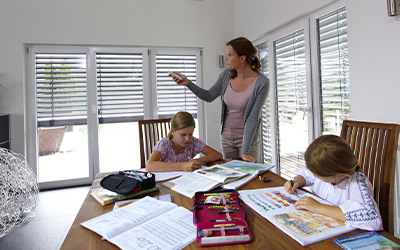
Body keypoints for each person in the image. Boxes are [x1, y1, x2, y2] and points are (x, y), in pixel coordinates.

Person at [169, 37, 269, 163]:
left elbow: (253, 118)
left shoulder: (262, 83)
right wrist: (188, 83)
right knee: (230, 176)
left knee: (250, 177)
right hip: (227, 139)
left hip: (248, 141)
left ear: (242, 59)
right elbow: (209, 96)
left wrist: (245, 151)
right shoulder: (226, 75)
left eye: (229, 54)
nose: (226, 58)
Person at [284, 135, 382, 231]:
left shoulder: (357, 184)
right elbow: (306, 174)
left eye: (318, 175)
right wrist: (297, 181)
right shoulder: (329, 173)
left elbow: (372, 219)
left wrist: (319, 207)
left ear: (342, 174)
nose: (314, 176)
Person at [146, 111, 222, 172]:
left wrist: (201, 160)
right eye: (183, 135)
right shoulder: (164, 144)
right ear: (172, 131)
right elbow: (149, 166)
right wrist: (182, 166)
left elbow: (217, 155)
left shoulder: (193, 142)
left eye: (190, 134)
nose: (187, 139)